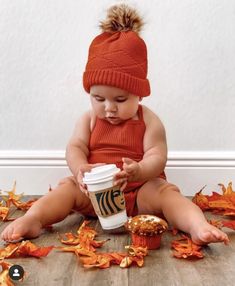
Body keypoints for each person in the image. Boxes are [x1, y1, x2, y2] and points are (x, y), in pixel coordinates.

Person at [1, 4, 229, 245]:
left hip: (139, 194)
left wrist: (139, 170)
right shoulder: (88, 119)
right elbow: (75, 147)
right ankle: (34, 219)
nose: (109, 107)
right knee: (66, 189)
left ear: (139, 95)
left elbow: (158, 156)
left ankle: (197, 226)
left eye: (120, 99)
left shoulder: (149, 120)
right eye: (99, 99)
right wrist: (80, 169)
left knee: (165, 193)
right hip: (95, 195)